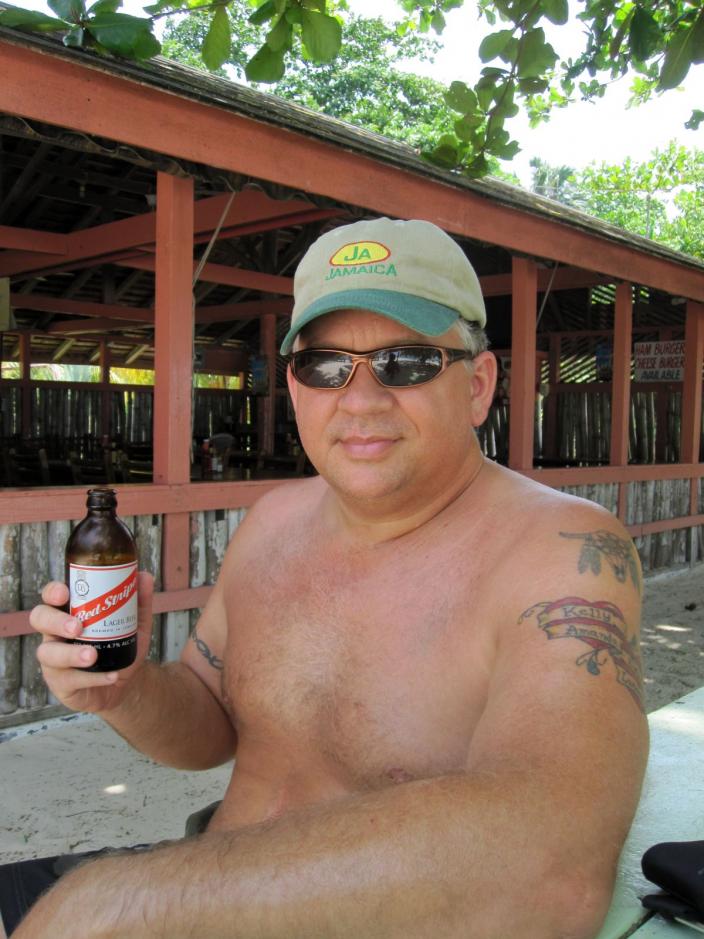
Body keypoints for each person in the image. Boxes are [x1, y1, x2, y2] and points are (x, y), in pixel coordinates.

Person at [1, 218, 648, 939]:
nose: (360, 399)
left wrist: (124, 903)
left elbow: (553, 864)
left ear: (478, 384)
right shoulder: (273, 522)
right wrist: (126, 691)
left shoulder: (561, 551)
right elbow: (209, 726)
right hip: (212, 880)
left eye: (406, 362)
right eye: (325, 365)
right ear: (294, 386)